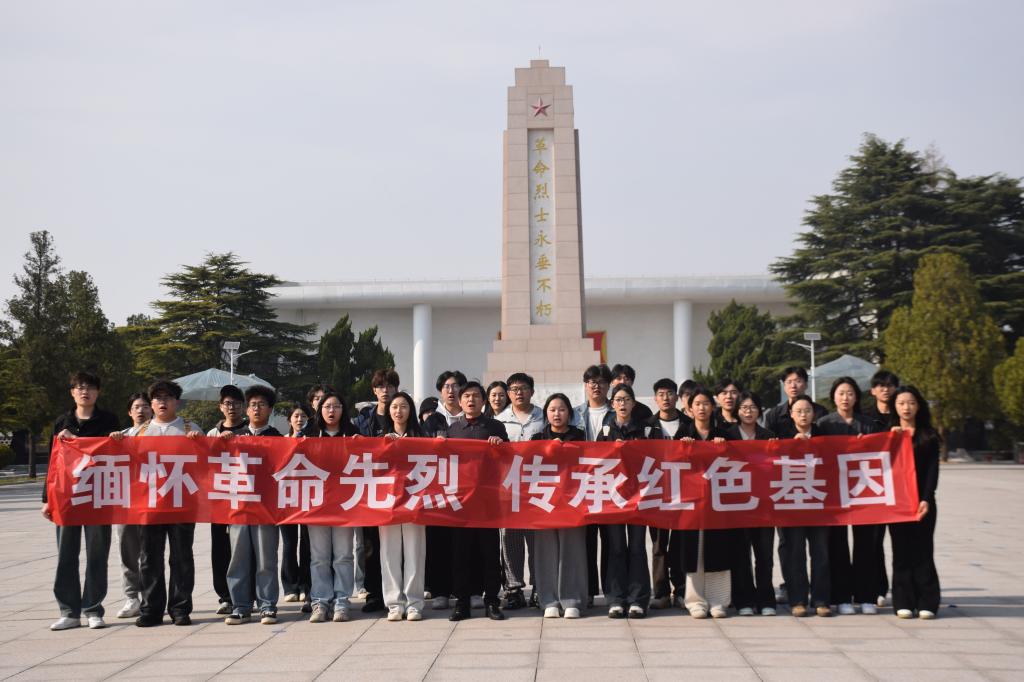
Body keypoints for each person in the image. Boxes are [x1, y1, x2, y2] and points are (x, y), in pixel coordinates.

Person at [112, 379, 203, 627]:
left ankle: (180, 608)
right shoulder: (137, 432)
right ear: (152, 403)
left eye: (167, 397)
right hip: (150, 505)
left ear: (177, 402)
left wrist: (200, 443)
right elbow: (121, 463)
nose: (162, 402)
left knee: (182, 557)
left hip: (182, 502)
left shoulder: (189, 428)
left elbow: (207, 464)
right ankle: (151, 609)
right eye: (158, 398)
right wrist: (115, 441)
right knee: (149, 558)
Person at [42, 371, 121, 631]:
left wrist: (118, 441)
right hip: (69, 498)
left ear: (98, 392)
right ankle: (68, 610)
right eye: (79, 387)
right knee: (66, 554)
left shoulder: (108, 421)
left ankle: (93, 608)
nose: (84, 392)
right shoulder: (63, 422)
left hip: (99, 497)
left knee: (97, 555)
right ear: (72, 392)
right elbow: (54, 462)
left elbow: (118, 457)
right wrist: (47, 498)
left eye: (90, 387)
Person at [445, 381, 508, 621]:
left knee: (489, 553)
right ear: (460, 402)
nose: (471, 400)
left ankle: (492, 600)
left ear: (483, 401)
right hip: (460, 503)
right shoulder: (452, 430)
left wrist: (500, 446)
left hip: (488, 502)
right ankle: (462, 602)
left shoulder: (495, 426)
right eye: (467, 396)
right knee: (460, 554)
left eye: (475, 396)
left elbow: (510, 459)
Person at [818, 377, 881, 615]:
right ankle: (842, 596)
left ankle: (866, 596)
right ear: (833, 396)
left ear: (857, 397)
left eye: (850, 393)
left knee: (866, 545)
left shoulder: (868, 425)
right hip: (835, 494)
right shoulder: (824, 424)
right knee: (837, 545)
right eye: (841, 393)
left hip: (863, 492)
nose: (846, 398)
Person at [221, 385, 283, 625]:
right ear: (246, 409)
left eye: (262, 405)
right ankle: (240, 606)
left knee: (266, 558)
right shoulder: (234, 437)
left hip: (266, 508)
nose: (257, 409)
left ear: (270, 409)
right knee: (238, 558)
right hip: (239, 507)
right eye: (253, 405)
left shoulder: (277, 438)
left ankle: (267, 605)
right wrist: (223, 442)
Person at [597, 383, 659, 618]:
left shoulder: (645, 430)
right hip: (613, 499)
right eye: (618, 400)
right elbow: (593, 462)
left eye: (626, 399)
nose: (622, 404)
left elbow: (656, 458)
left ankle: (638, 599)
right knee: (615, 548)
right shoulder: (604, 432)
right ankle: (615, 598)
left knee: (636, 548)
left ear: (634, 403)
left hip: (638, 499)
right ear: (612, 404)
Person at [676, 387, 735, 619]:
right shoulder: (682, 433)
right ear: (690, 409)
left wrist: (724, 448)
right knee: (694, 551)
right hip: (691, 502)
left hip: (717, 501)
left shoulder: (724, 434)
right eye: (697, 404)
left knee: (718, 549)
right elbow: (671, 464)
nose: (701, 408)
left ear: (713, 407)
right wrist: (683, 448)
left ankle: (719, 601)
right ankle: (695, 600)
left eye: (705, 403)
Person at [531, 393, 587, 619]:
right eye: (552, 409)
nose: (557, 414)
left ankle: (571, 598)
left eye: (562, 409)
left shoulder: (580, 437)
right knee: (545, 551)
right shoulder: (537, 438)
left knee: (572, 550)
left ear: (570, 414)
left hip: (572, 502)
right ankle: (548, 599)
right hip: (544, 502)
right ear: (546, 413)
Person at [304, 391, 359, 623]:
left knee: (344, 555)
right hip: (316, 504)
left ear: (342, 410)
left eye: (336, 406)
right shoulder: (308, 435)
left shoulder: (354, 434)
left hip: (345, 504)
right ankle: (320, 601)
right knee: (319, 556)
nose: (331, 410)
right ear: (319, 410)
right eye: (327, 406)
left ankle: (342, 600)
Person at [888, 385, 941, 619]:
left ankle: (928, 601)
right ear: (895, 408)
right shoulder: (889, 435)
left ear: (918, 405)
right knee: (901, 551)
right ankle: (903, 600)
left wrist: (926, 498)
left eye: (910, 402)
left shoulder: (928, 435)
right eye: (901, 403)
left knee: (923, 550)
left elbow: (932, 470)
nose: (906, 407)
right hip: (896, 503)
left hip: (922, 502)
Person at [777, 394, 831, 617]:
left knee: (821, 553)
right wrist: (790, 446)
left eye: (807, 410)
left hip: (818, 503)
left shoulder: (824, 436)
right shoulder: (781, 436)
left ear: (814, 413)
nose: (803, 414)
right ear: (791, 414)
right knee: (795, 552)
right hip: (792, 503)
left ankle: (821, 599)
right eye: (798, 411)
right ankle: (797, 599)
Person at [494, 372, 545, 609]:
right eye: (513, 389)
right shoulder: (499, 420)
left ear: (532, 391)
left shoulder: (543, 417)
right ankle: (513, 588)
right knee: (510, 538)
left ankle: (539, 586)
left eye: (523, 388)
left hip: (537, 487)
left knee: (536, 540)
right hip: (508, 488)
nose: (518, 392)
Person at [724, 391, 777, 616]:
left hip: (763, 506)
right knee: (741, 556)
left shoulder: (768, 436)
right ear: (737, 411)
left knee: (764, 556)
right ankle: (743, 600)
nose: (748, 411)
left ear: (759, 410)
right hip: (737, 505)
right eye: (744, 407)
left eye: (753, 407)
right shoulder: (727, 436)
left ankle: (766, 600)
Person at [354, 369, 401, 615]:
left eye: (390, 386)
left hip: (399, 491)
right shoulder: (364, 420)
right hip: (371, 490)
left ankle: (397, 591)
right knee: (370, 545)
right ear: (374, 391)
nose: (385, 390)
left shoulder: (404, 416)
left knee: (397, 544)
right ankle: (373, 593)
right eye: (381, 386)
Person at [379, 391, 429, 622]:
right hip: (387, 503)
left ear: (411, 411)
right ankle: (393, 603)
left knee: (414, 552)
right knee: (389, 553)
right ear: (389, 411)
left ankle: (414, 602)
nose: (399, 411)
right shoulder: (379, 438)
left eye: (404, 406)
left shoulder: (422, 436)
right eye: (395, 407)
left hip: (414, 502)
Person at [572, 363, 616, 607]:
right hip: (583, 486)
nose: (595, 386)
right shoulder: (576, 413)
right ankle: (587, 591)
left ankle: (610, 591)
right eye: (591, 382)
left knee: (611, 542)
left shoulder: (616, 413)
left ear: (608, 386)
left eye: (600, 382)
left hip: (609, 485)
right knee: (585, 542)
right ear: (585, 385)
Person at [421, 371, 465, 610]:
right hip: (438, 488)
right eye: (447, 386)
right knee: (438, 541)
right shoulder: (432, 420)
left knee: (463, 542)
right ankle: (439, 590)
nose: (451, 390)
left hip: (467, 489)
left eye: (456, 385)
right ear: (440, 391)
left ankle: (463, 589)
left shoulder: (473, 417)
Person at [206, 384, 250, 615]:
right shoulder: (211, 435)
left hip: (246, 500)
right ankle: (224, 595)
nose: (232, 407)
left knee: (244, 549)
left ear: (243, 407)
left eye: (236, 403)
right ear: (220, 407)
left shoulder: (249, 431)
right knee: (220, 549)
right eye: (227, 403)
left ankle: (246, 594)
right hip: (220, 500)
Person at [645, 378, 686, 610]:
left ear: (677, 397)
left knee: (680, 544)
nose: (666, 398)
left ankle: (680, 590)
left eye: (670, 393)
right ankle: (660, 592)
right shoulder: (647, 426)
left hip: (683, 493)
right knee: (659, 545)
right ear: (655, 398)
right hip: (656, 492)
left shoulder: (688, 424)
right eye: (661, 394)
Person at [113, 392, 152, 620]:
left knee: (150, 553)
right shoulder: (121, 437)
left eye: (145, 406)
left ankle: (150, 596)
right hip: (126, 502)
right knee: (127, 552)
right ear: (129, 412)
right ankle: (131, 597)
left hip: (151, 501)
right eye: (136, 407)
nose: (141, 410)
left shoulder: (160, 434)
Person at [863, 370, 899, 606]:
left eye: (890, 385)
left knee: (902, 543)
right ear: (872, 391)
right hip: (873, 489)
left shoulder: (904, 416)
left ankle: (903, 588)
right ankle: (877, 588)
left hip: (899, 488)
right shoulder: (866, 419)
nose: (885, 389)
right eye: (880, 385)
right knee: (872, 543)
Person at [280, 405, 311, 608]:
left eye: (303, 416)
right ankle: (291, 586)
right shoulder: (281, 441)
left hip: (309, 496)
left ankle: (307, 586)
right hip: (287, 498)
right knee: (289, 543)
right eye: (296, 416)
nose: (299, 419)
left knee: (307, 544)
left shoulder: (314, 440)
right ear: (290, 419)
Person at [763, 367, 828, 436]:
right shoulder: (773, 415)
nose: (793, 386)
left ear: (806, 384)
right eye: (789, 382)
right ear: (784, 386)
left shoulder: (820, 411)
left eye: (798, 381)